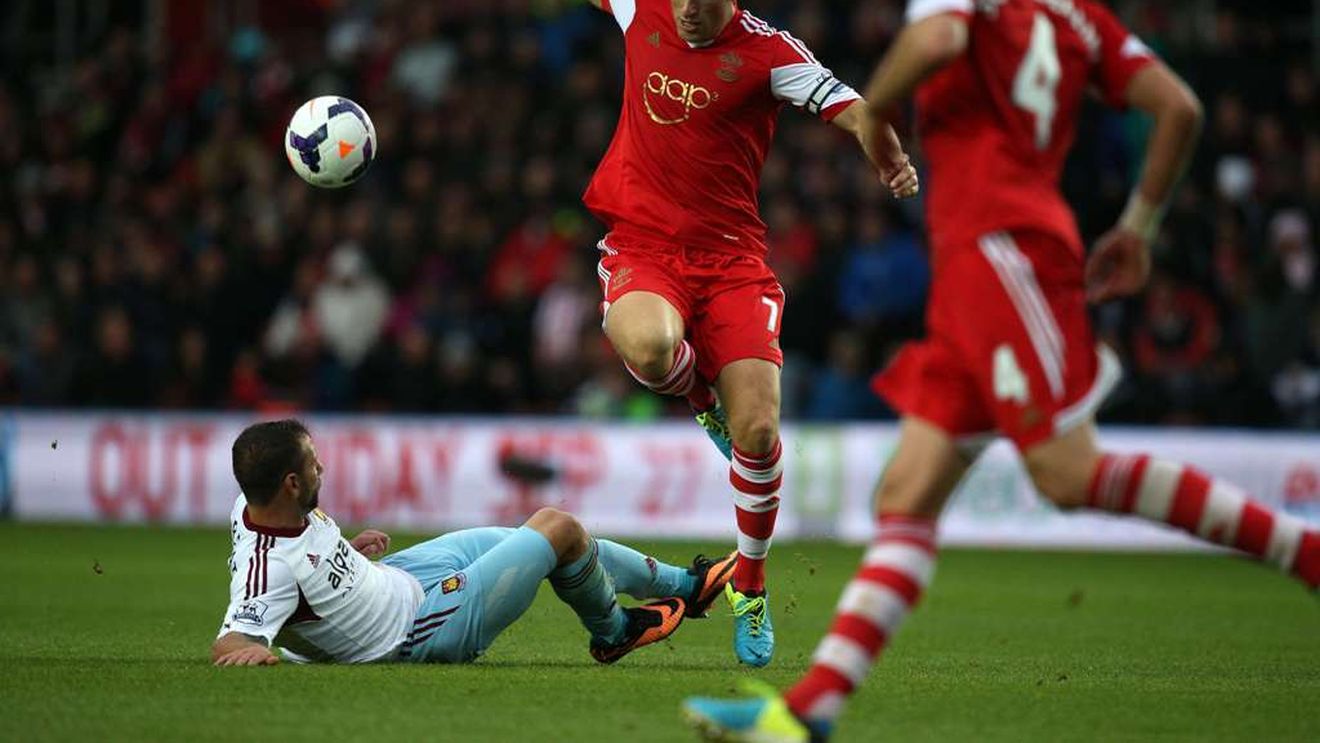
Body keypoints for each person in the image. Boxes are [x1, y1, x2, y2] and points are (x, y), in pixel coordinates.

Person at [682, 1, 1320, 739]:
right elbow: (1177, 107)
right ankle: (807, 710)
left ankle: (1302, 549)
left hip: (998, 247)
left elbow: (939, 35)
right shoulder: (1082, 17)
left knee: (1066, 472)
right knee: (907, 492)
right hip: (982, 256)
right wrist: (1138, 228)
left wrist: (877, 110)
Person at [584, 0, 919, 668]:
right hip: (644, 247)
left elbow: (854, 109)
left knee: (760, 433)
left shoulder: (770, 54)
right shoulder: (638, 8)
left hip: (733, 265)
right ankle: (698, 397)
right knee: (651, 347)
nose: (686, 13)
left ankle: (752, 582)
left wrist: (887, 155)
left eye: (703, 4)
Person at [211, 419, 736, 667]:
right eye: (312, 464)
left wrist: (344, 546)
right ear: (291, 485)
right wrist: (251, 653)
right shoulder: (270, 569)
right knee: (557, 528)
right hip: (419, 629)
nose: (321, 466)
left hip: (400, 576)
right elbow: (234, 637)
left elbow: (303, 564)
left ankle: (689, 586)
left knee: (534, 537)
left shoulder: (256, 506)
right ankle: (615, 630)